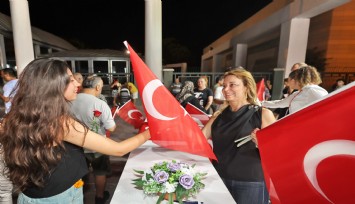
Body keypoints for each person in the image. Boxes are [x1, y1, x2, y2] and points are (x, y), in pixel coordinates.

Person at [0, 58, 150, 204]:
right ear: (53, 86)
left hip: (30, 197)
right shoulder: (61, 123)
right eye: (71, 79)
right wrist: (150, 132)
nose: (78, 83)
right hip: (60, 198)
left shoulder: (14, 118)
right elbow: (118, 149)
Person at [202, 69, 275, 204]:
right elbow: (198, 139)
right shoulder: (218, 116)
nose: (226, 89)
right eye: (224, 86)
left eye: (232, 85)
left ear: (246, 87)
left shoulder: (262, 114)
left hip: (251, 182)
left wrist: (261, 143)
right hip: (219, 180)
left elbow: (277, 151)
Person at [71, 76, 116, 204]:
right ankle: (99, 198)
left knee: (78, 173)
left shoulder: (70, 100)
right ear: (97, 87)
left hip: (76, 145)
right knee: (100, 172)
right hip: (97, 145)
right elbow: (111, 128)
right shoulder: (99, 103)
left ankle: (78, 197)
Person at [262, 66, 328, 114]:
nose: (287, 83)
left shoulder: (313, 90)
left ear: (293, 81)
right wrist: (259, 103)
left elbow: (326, 106)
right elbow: (279, 103)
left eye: (288, 80)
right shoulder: (298, 93)